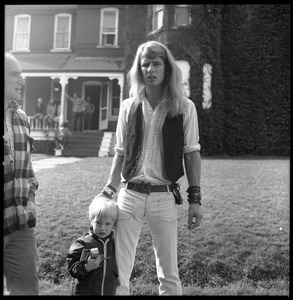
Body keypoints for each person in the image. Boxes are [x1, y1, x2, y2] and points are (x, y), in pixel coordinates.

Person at [97, 41, 203, 295]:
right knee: (119, 271)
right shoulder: (128, 106)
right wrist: (108, 191)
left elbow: (191, 155)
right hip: (129, 195)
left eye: (157, 63)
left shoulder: (184, 107)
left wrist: (195, 200)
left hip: (163, 196)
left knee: (168, 273)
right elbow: (120, 154)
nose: (151, 69)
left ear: (167, 68)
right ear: (139, 69)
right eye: (145, 64)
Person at [4, 52, 40, 295]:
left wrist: (30, 198)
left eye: (21, 73)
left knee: (27, 290)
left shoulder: (22, 118)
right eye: (15, 74)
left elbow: (28, 171)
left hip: (20, 225)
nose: (22, 80)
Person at [67, 196, 118, 295]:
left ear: (114, 224)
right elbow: (72, 270)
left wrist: (127, 280)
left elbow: (121, 267)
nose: (102, 228)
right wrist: (87, 267)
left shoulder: (115, 243)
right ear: (91, 220)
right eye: (98, 223)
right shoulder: (81, 244)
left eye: (107, 224)